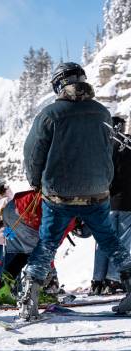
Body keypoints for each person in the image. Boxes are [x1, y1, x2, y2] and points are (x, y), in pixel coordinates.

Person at [21, 62, 131, 320]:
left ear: (59, 84)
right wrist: (104, 181)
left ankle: (29, 299)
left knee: (48, 243)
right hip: (97, 192)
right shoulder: (102, 113)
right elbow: (108, 154)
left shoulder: (50, 114)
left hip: (59, 194)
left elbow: (33, 153)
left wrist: (36, 181)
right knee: (111, 241)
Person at [91, 116, 131, 295]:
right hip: (127, 201)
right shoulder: (128, 146)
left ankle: (97, 280)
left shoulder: (102, 147)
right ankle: (113, 279)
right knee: (121, 242)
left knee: (103, 241)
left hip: (104, 201)